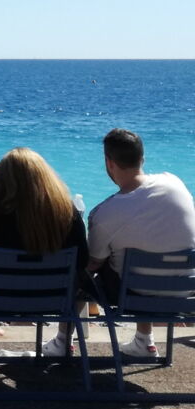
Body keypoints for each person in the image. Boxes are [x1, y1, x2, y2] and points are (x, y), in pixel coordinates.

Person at [48, 129, 195, 358]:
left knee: (82, 271)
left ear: (109, 163)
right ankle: (144, 341)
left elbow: (92, 264)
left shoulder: (105, 214)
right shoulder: (174, 183)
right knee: (142, 252)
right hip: (183, 293)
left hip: (135, 296)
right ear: (142, 158)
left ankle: (62, 341)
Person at [0, 147, 87, 357]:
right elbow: (82, 258)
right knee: (82, 278)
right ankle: (64, 340)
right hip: (53, 298)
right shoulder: (66, 212)